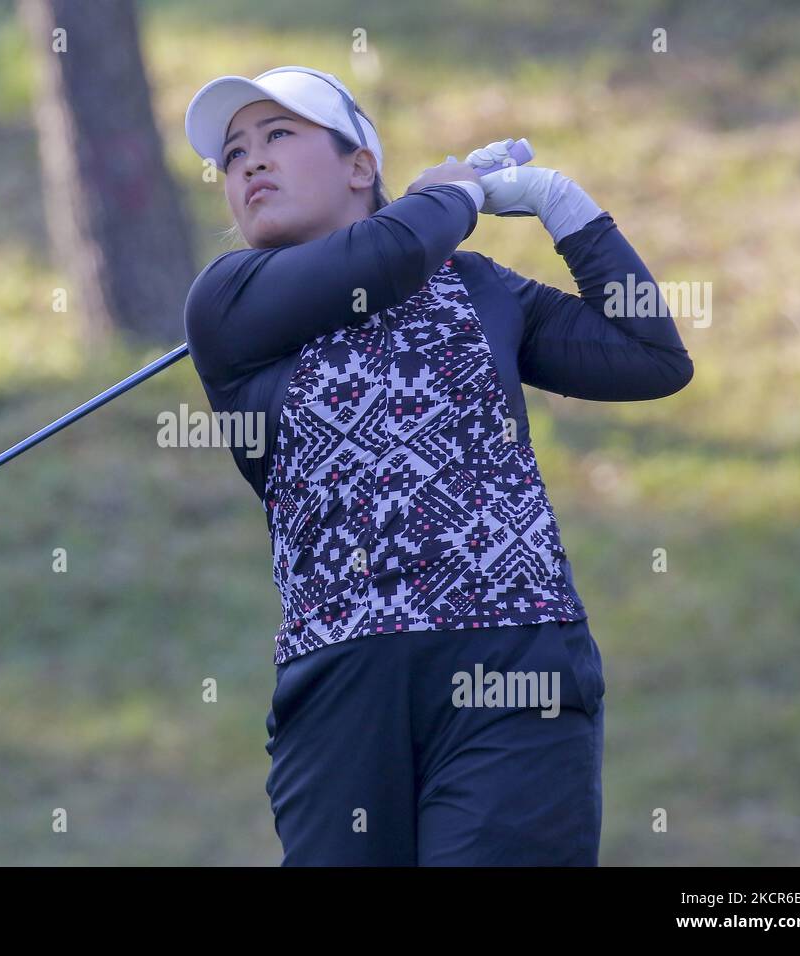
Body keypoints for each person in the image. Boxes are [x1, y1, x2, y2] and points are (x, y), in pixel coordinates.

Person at [182, 66, 694, 866]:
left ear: (360, 166)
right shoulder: (227, 302)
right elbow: (382, 256)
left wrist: (565, 206)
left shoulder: (475, 285)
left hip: (514, 662)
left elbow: (649, 357)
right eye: (231, 156)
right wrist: (453, 195)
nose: (248, 163)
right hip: (341, 688)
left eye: (278, 135)